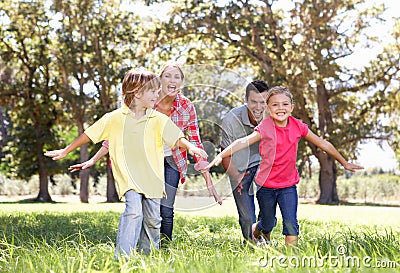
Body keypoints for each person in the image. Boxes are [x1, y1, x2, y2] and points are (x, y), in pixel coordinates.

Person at [44, 69, 208, 257]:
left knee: (153, 219)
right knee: (134, 211)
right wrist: (66, 151)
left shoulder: (158, 119)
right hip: (129, 177)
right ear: (137, 93)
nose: (158, 94)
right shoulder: (114, 118)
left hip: (153, 180)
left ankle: (148, 256)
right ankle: (124, 257)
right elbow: (89, 135)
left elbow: (177, 138)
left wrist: (192, 148)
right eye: (153, 91)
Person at [207, 86, 364, 246]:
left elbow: (323, 143)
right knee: (267, 223)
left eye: (285, 104)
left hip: (288, 186)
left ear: (291, 107)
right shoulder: (265, 127)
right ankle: (258, 229)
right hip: (265, 186)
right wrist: (221, 155)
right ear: (268, 108)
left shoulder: (299, 126)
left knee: (291, 224)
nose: (280, 108)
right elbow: (242, 141)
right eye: (275, 105)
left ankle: (291, 261)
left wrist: (344, 162)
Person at [220, 80, 269, 242]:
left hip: (264, 165)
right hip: (239, 168)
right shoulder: (231, 120)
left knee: (268, 206)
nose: (258, 107)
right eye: (253, 102)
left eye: (263, 102)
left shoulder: (274, 115)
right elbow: (224, 154)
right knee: (247, 217)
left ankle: (263, 237)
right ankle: (251, 243)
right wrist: (236, 175)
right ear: (245, 100)